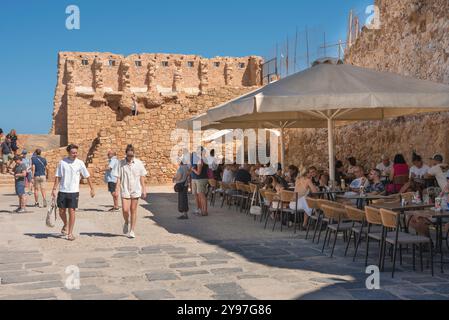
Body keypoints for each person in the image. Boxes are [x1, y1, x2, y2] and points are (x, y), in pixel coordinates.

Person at [51, 144, 95, 241]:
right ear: (68, 153)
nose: (75, 154)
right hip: (63, 190)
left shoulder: (80, 163)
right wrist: (54, 189)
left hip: (74, 191)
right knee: (61, 211)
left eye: (76, 152)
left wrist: (92, 188)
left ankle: (70, 233)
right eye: (73, 153)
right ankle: (65, 224)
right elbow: (58, 176)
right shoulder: (62, 162)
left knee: (72, 211)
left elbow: (87, 176)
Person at [112, 144, 147, 238]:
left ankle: (132, 230)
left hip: (135, 189)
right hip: (125, 189)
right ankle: (126, 221)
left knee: (133, 210)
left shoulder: (139, 163)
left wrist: (144, 189)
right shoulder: (120, 163)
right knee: (125, 209)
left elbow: (142, 177)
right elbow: (118, 178)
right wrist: (116, 189)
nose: (130, 157)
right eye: (129, 155)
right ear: (126, 154)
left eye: (132, 155)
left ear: (134, 154)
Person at [191, 148, 209, 216]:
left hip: (200, 179)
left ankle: (204, 211)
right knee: (199, 195)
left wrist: (193, 170)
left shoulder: (200, 160)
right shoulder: (202, 159)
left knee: (202, 195)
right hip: (198, 179)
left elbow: (198, 172)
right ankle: (201, 210)